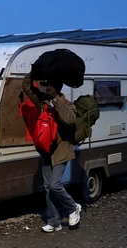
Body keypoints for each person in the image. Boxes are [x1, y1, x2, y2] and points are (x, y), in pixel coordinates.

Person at [22, 74, 82, 233]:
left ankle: (73, 207)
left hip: (61, 151)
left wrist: (56, 99)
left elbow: (69, 120)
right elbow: (27, 88)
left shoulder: (67, 104)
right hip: (46, 150)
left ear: (58, 88)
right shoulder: (43, 103)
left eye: (50, 86)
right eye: (46, 85)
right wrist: (34, 72)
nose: (47, 88)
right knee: (48, 187)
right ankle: (54, 221)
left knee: (55, 185)